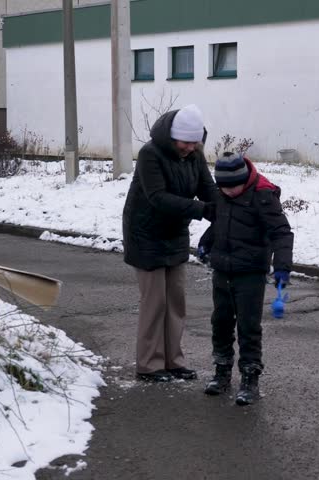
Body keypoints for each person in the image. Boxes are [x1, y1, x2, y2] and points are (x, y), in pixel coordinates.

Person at [122, 104, 217, 382]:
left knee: (175, 301)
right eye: (185, 143)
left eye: (194, 143)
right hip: (145, 234)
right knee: (155, 302)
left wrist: (226, 207)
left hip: (175, 233)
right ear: (173, 136)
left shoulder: (194, 155)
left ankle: (174, 361)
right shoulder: (150, 154)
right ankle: (150, 365)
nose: (189, 148)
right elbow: (158, 198)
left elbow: (206, 188)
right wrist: (202, 210)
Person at [197, 152, 293, 405]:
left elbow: (282, 233)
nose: (228, 192)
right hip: (222, 270)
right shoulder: (223, 193)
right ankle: (222, 371)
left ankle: (250, 378)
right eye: (223, 188)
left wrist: (282, 266)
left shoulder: (263, 196)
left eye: (233, 187)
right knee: (221, 322)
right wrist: (206, 243)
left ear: (245, 179)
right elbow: (220, 223)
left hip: (250, 272)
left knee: (248, 327)